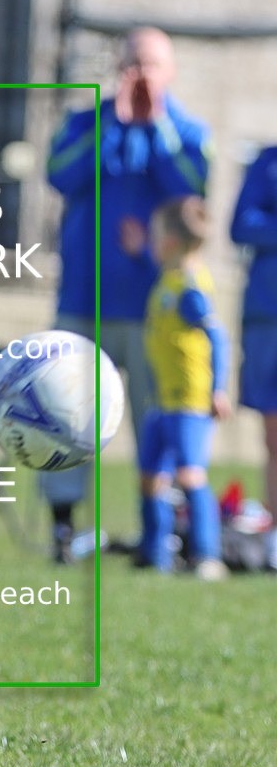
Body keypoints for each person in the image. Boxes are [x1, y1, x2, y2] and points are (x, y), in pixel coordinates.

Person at [43, 27, 211, 562]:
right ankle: (64, 532)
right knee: (67, 417)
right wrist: (114, 119)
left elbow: (192, 188)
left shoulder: (184, 131)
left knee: (155, 423)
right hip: (82, 301)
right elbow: (59, 175)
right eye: (133, 63)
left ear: (171, 71)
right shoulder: (85, 122)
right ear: (118, 68)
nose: (141, 74)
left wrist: (153, 123)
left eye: (152, 64)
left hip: (151, 312)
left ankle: (157, 538)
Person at [139, 196, 230, 579]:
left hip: (190, 398)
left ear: (172, 242)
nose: (151, 242)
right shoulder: (168, 278)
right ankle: (155, 552)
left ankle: (207, 555)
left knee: (191, 474)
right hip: (162, 396)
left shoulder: (191, 287)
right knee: (151, 476)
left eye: (155, 236)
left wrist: (218, 389)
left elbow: (217, 338)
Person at [230, 145, 277, 567]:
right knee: (274, 434)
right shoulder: (267, 162)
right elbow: (241, 225)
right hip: (268, 314)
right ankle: (275, 535)